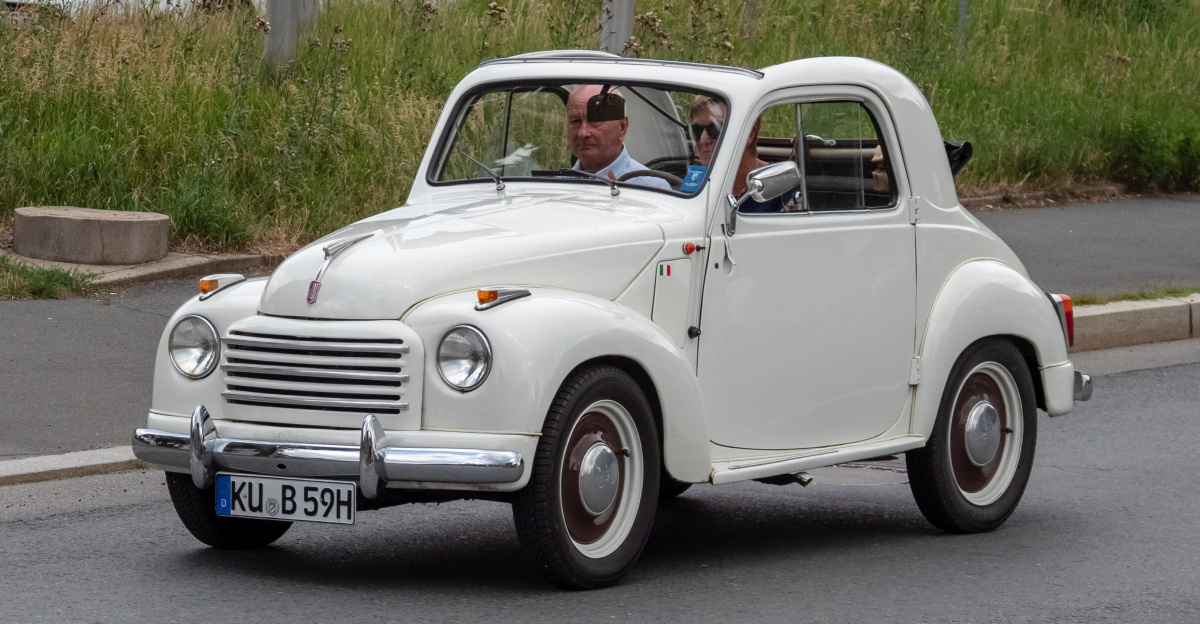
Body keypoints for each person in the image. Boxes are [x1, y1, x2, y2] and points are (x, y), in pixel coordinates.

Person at [690, 96, 802, 213]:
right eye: (696, 130)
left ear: (749, 134)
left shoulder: (782, 184)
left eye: (714, 129)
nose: (703, 140)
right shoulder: (697, 182)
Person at [567, 85, 671, 190]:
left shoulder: (650, 187)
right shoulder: (558, 183)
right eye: (575, 121)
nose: (582, 133)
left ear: (622, 127)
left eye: (595, 121)